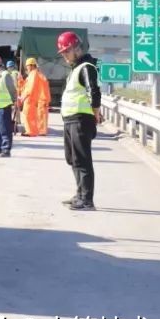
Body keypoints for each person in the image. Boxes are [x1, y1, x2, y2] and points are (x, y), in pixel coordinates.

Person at [56, 31, 101, 210]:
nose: (65, 56)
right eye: (63, 53)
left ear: (77, 49)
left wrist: (95, 114)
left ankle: (87, 200)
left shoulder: (86, 68)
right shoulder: (75, 69)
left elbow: (94, 93)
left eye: (67, 51)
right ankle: (80, 194)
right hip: (70, 121)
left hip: (81, 120)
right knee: (72, 159)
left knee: (82, 160)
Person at [19, 57, 51, 137]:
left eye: (28, 65)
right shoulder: (33, 75)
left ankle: (33, 131)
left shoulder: (34, 74)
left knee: (30, 115)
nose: (27, 67)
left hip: (33, 98)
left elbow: (30, 88)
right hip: (35, 98)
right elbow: (26, 87)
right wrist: (21, 81)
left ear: (32, 65)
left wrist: (24, 97)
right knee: (33, 115)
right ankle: (35, 131)